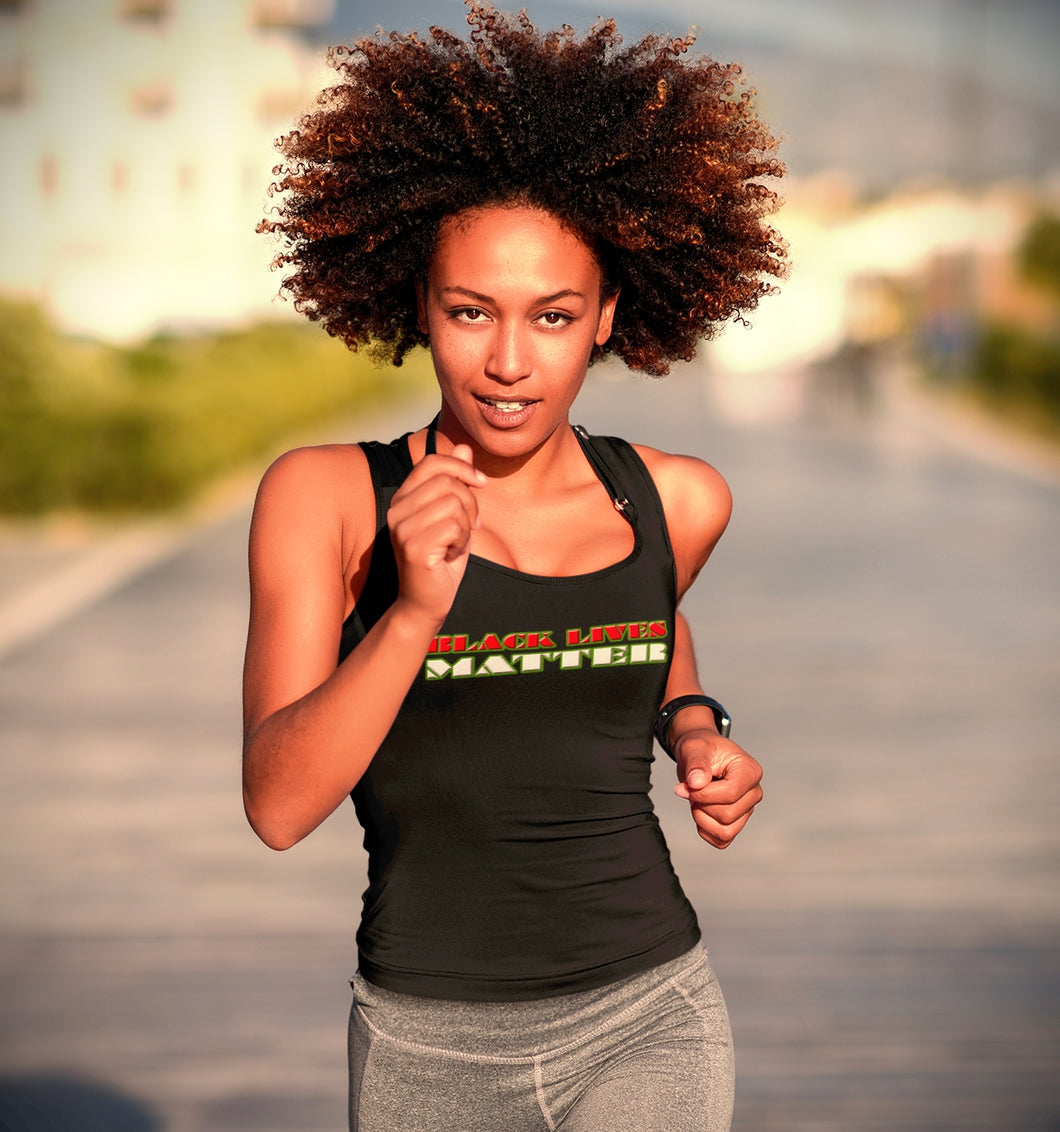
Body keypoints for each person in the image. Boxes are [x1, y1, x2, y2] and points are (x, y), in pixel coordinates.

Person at [244, 4, 785, 1129]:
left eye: (551, 316)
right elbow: (281, 803)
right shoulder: (327, 497)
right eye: (468, 311)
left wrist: (690, 724)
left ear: (606, 319)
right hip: (422, 1042)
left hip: (652, 1010)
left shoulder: (675, 499)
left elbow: (646, 613)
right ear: (418, 309)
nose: (505, 361)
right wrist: (412, 613)